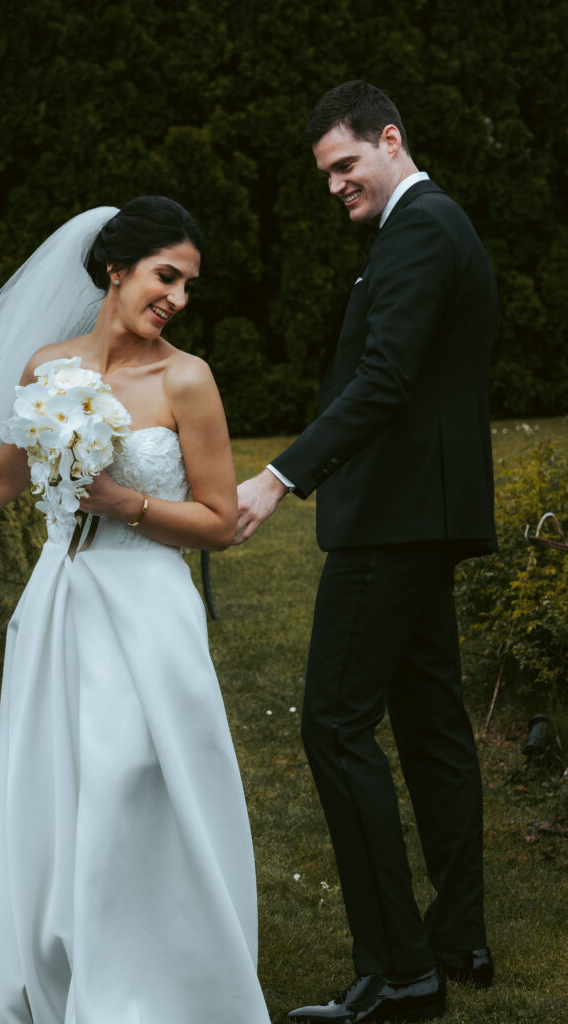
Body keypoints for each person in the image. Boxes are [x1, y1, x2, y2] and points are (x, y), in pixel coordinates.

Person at [0, 197, 271, 1023]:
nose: (177, 297)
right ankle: (58, 956)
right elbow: (0, 480)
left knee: (135, 778)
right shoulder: (48, 367)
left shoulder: (186, 379)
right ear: (115, 270)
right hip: (60, 607)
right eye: (166, 276)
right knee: (57, 787)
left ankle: (153, 982)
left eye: (188, 286)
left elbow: (216, 525)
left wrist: (120, 502)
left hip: (150, 612)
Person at [234, 82, 497, 1023]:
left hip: (394, 518)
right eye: (326, 174)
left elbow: (383, 381)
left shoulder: (420, 227)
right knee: (428, 720)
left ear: (391, 140)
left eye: (346, 165)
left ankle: (399, 968)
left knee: (334, 725)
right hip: (417, 514)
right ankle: (457, 938)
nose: (336, 185)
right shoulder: (422, 223)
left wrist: (277, 476)